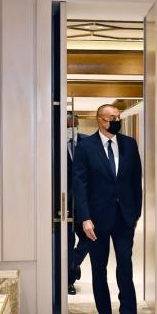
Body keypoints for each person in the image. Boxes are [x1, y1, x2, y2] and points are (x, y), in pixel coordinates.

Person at [72, 104, 143, 314]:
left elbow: (136, 181)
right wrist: (85, 218)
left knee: (125, 265)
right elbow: (79, 185)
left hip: (124, 218)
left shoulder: (130, 144)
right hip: (96, 220)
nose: (116, 121)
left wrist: (136, 213)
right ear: (100, 120)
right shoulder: (85, 147)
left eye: (118, 117)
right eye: (112, 117)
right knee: (99, 268)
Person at [65, 115, 89, 295]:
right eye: (67, 126)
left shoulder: (87, 142)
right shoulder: (53, 143)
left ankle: (73, 265)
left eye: (73, 125)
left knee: (90, 238)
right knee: (67, 242)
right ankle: (68, 281)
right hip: (63, 202)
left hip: (83, 202)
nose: (70, 128)